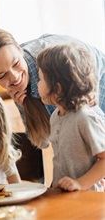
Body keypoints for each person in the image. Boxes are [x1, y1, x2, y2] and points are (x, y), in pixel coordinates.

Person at [0, 29, 105, 147]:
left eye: (16, 63)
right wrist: (23, 106)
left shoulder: (51, 67)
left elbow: (83, 134)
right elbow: (43, 142)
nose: (14, 77)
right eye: (2, 75)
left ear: (19, 50)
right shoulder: (19, 88)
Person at [36, 44, 105, 192]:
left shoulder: (84, 117)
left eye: (40, 78)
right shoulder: (55, 116)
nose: (37, 84)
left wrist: (80, 183)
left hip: (88, 199)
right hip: (65, 196)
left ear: (58, 88)